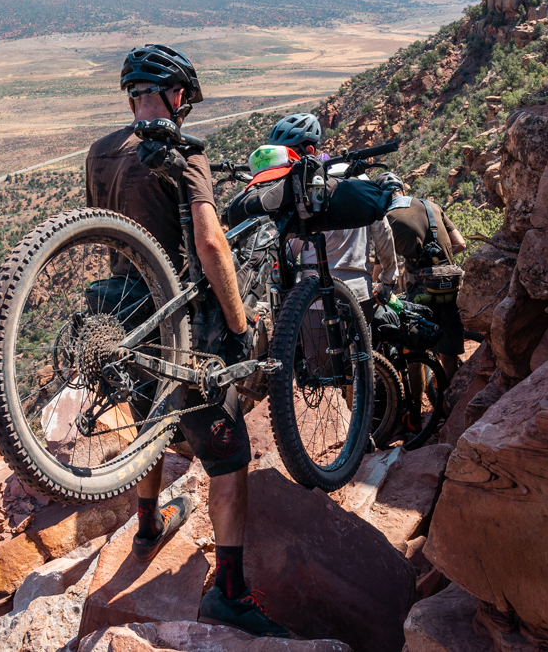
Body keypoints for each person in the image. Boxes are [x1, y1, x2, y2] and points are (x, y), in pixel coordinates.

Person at [85, 44, 287, 637]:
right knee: (227, 453)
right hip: (178, 326)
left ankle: (148, 528)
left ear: (131, 97)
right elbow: (211, 244)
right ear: (176, 98)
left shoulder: (99, 152)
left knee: (151, 423)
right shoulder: (185, 152)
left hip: (120, 317)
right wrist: (241, 324)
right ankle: (229, 593)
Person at [266, 114, 399, 327]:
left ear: (308, 152)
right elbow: (383, 234)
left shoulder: (301, 193)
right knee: (362, 358)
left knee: (315, 359)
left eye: (289, 155)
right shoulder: (360, 182)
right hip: (358, 294)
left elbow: (290, 251)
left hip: (314, 299)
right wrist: (387, 280)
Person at [377, 173, 468, 382]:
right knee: (449, 351)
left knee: (415, 352)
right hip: (450, 286)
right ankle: (452, 399)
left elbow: (378, 271)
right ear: (403, 191)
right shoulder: (431, 206)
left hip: (420, 293)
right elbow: (461, 244)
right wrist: (438, 263)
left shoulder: (386, 218)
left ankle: (416, 411)